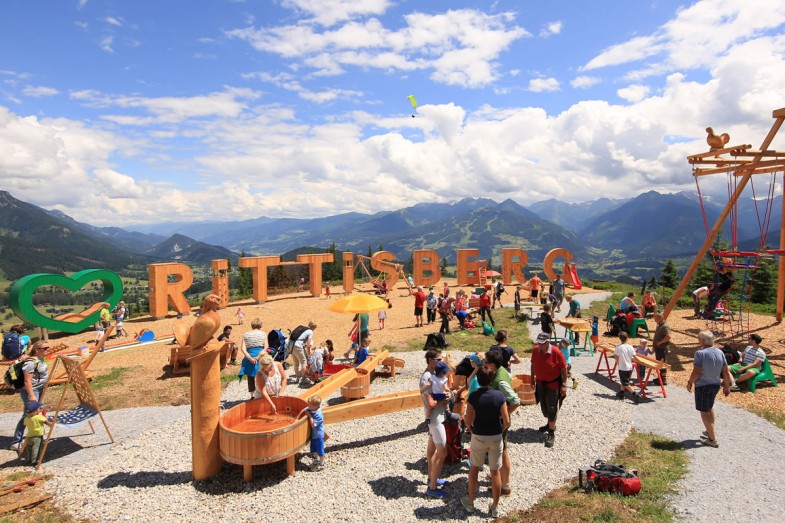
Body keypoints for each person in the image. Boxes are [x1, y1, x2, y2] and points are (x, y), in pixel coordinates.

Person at [461, 366, 510, 517]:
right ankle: (494, 507)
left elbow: (467, 420)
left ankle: (470, 503)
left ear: (479, 379)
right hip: (495, 436)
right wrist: (500, 431)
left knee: (474, 468)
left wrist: (472, 428)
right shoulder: (499, 396)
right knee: (495, 472)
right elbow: (507, 421)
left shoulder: (474, 397)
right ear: (491, 379)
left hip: (479, 435)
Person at [686, 331, 731, 448]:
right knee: (709, 407)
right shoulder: (720, 352)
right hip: (715, 384)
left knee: (703, 411)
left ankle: (712, 439)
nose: (698, 340)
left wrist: (690, 382)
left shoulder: (700, 353)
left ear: (703, 341)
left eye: (699, 338)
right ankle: (709, 430)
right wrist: (727, 386)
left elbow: (696, 371)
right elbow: (725, 371)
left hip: (703, 385)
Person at [484, 350, 520, 495]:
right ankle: (497, 475)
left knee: (503, 451)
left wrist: (503, 416)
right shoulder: (502, 370)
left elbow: (516, 401)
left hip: (500, 422)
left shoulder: (501, 381)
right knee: (496, 451)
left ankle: (505, 486)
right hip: (497, 420)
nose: (484, 365)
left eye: (486, 363)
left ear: (492, 365)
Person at [9, 341, 50, 452]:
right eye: (45, 348)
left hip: (39, 389)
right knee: (29, 415)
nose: (47, 349)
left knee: (39, 412)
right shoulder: (30, 363)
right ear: (37, 350)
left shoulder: (39, 359)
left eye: (48, 347)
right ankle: (16, 441)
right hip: (32, 391)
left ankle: (37, 437)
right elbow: (27, 381)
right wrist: (32, 396)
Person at [421, 349, 450, 499]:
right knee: (442, 451)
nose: (440, 361)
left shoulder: (435, 376)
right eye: (438, 359)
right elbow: (430, 402)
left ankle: (432, 477)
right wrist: (444, 400)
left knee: (432, 448)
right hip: (434, 418)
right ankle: (432, 487)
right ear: (431, 360)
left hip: (438, 415)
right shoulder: (427, 378)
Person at [531, 332, 567, 448]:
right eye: (539, 343)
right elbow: (533, 364)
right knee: (544, 406)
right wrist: (532, 379)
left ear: (548, 342)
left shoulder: (556, 352)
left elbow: (564, 368)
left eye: (542, 343)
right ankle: (549, 423)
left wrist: (564, 385)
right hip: (540, 383)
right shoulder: (535, 350)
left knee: (552, 407)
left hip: (553, 385)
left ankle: (551, 432)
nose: (540, 345)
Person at [238, 318, 266, 398]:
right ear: (260, 325)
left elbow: (243, 349)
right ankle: (262, 393)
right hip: (260, 356)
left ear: (252, 325)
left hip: (249, 355)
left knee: (250, 377)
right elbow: (265, 348)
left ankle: (252, 395)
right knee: (262, 376)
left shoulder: (246, 334)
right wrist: (258, 357)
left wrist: (250, 358)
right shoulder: (263, 334)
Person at [298, 395, 326, 470]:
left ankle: (322, 463)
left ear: (314, 406)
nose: (307, 406)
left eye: (309, 405)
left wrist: (310, 416)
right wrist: (297, 418)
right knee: (313, 449)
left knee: (320, 450)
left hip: (318, 435)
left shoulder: (319, 415)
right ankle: (316, 461)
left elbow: (313, 425)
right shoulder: (311, 408)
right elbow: (304, 410)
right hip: (313, 435)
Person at [615, 332, 642, 404]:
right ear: (627, 338)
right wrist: (640, 362)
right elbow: (634, 356)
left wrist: (618, 363)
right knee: (624, 380)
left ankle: (635, 394)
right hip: (629, 367)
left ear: (619, 338)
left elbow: (616, 357)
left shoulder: (618, 347)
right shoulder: (630, 347)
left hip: (622, 367)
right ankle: (621, 393)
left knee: (625, 383)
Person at [652, 313, 671, 385]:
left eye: (656, 319)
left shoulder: (665, 326)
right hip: (658, 348)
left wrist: (660, 342)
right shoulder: (659, 325)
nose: (655, 320)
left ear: (660, 318)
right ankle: (660, 377)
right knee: (659, 363)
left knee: (662, 363)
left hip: (662, 348)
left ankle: (663, 379)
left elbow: (668, 337)